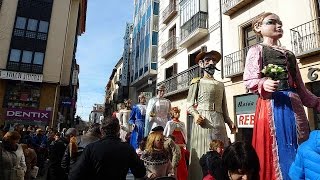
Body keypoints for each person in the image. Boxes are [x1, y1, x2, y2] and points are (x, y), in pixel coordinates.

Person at [243, 12, 320, 180]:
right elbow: (249, 80)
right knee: (278, 146)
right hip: (272, 105)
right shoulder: (256, 50)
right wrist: (263, 83)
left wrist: (315, 102)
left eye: (280, 23)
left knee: (300, 142)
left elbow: (300, 86)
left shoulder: (290, 54)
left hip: (295, 104)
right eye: (272, 22)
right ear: (258, 28)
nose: (278, 26)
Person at [186, 49, 237, 180]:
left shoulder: (221, 84)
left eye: (213, 60)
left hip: (219, 121)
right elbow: (189, 104)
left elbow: (224, 107)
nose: (211, 63)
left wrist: (230, 121)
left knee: (221, 152)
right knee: (206, 152)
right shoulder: (196, 82)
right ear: (201, 64)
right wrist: (196, 115)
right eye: (208, 60)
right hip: (204, 121)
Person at [68, 116, 146, 180]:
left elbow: (74, 176)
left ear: (101, 130)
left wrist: (73, 159)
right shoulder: (128, 149)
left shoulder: (91, 148)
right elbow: (140, 172)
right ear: (118, 130)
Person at [164, 107, 188, 180]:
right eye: (175, 113)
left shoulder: (182, 123)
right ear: (172, 114)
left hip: (180, 146)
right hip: (173, 146)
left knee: (182, 164)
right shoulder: (169, 123)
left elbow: (184, 134)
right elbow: (166, 134)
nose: (177, 114)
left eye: (178, 113)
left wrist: (184, 143)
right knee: (173, 162)